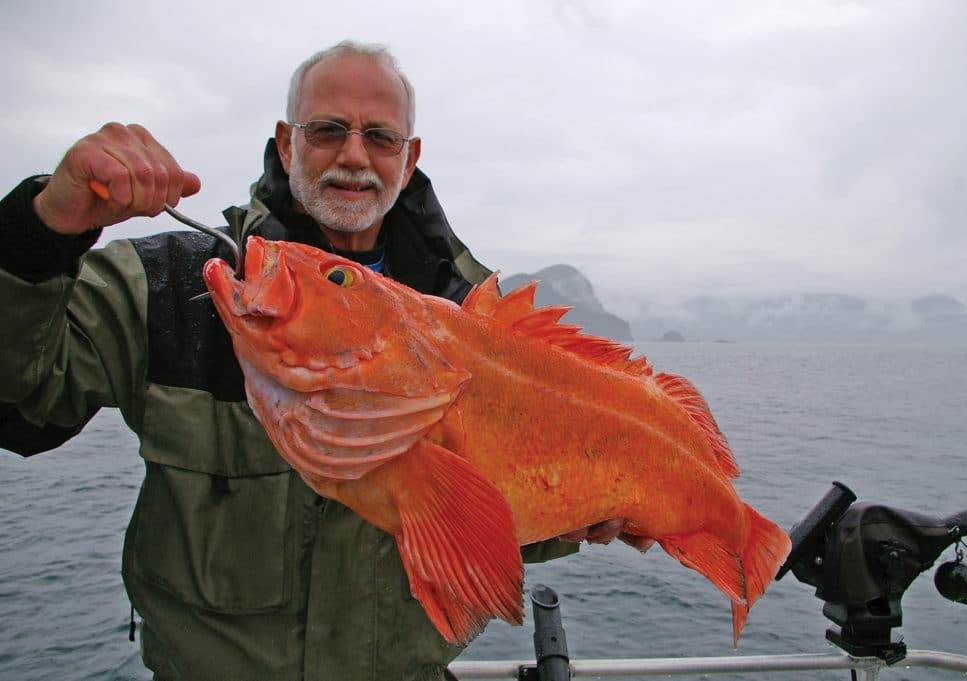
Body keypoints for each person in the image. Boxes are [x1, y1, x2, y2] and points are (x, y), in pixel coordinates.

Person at [0, 41, 625, 681]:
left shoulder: (475, 320)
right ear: (285, 142)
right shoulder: (166, 284)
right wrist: (43, 229)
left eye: (380, 138)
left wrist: (587, 516)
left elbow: (499, 514)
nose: (353, 156)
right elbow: (21, 407)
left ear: (408, 161)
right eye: (327, 130)